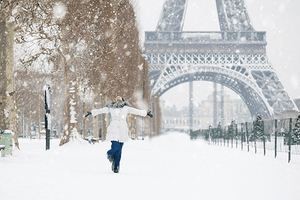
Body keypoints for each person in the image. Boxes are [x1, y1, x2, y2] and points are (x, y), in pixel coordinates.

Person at [85, 96, 153, 173]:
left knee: (119, 151)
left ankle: (116, 167)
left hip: (122, 130)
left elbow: (136, 111)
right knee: (116, 147)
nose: (118, 101)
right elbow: (101, 110)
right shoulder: (111, 108)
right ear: (114, 101)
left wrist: (146, 113)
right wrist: (92, 112)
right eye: (117, 100)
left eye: (119, 100)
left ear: (122, 101)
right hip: (113, 129)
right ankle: (109, 153)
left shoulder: (126, 108)